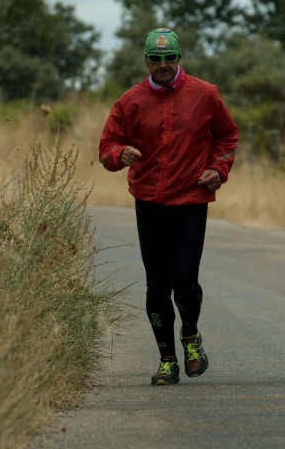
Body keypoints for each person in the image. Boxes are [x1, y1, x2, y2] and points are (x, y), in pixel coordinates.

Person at [99, 27, 238, 385]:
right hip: (150, 202)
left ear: (179, 58)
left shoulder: (206, 94)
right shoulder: (129, 101)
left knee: (184, 280)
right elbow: (107, 147)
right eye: (156, 58)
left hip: (191, 199)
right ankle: (166, 360)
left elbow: (227, 136)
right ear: (146, 59)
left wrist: (218, 169)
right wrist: (120, 154)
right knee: (157, 285)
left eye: (170, 58)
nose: (163, 65)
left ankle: (190, 337)